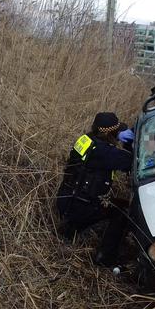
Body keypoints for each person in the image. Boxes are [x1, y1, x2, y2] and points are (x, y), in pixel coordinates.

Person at [56, 112, 134, 266]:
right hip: (80, 208)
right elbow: (133, 162)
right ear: (111, 133)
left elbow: (113, 130)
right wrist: (151, 138)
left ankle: (69, 228)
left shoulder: (86, 139)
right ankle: (105, 259)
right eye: (117, 131)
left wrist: (121, 129)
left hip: (66, 199)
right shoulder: (104, 153)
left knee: (113, 204)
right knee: (122, 212)